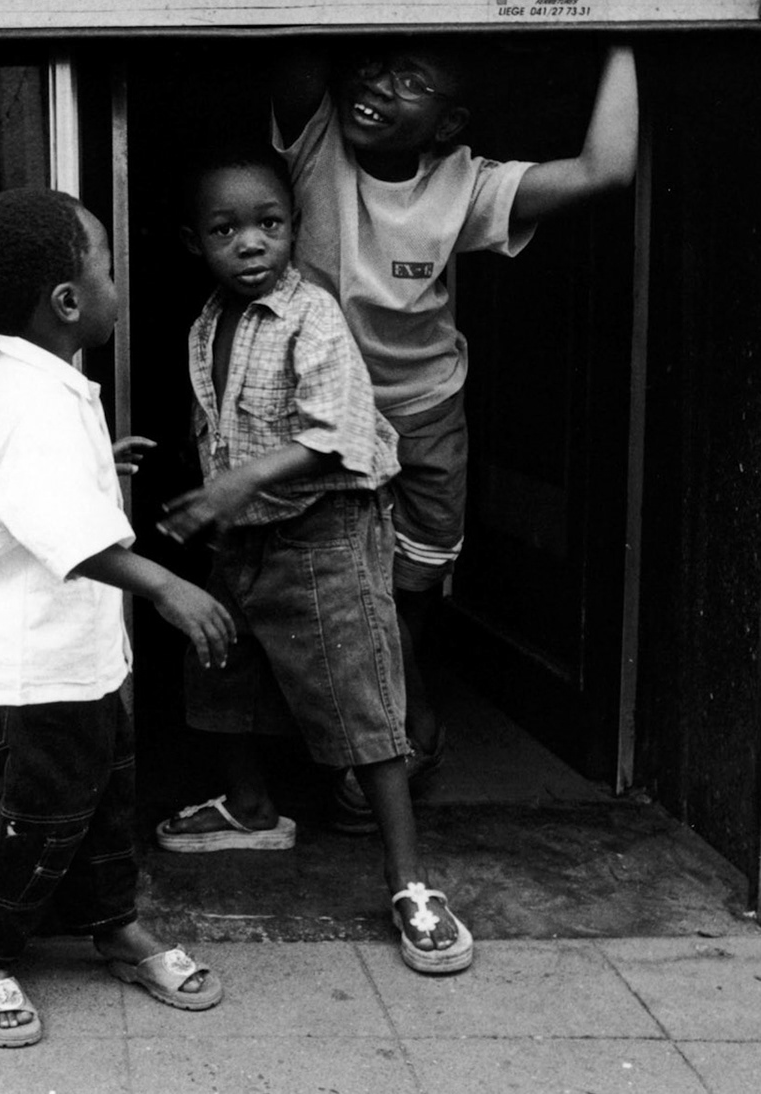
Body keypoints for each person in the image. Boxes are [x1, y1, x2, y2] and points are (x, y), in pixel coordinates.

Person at [272, 39, 638, 804]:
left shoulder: (462, 183)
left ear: (449, 123)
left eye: (412, 81)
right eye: (373, 66)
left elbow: (605, 169)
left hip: (427, 411)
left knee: (411, 588)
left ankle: (399, 730)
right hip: (327, 414)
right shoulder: (320, 141)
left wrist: (619, 28)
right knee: (344, 585)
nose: (378, 84)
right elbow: (296, 11)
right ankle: (406, 735)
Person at [0, 189, 232, 1048]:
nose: (115, 280)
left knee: (102, 795)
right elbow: (65, 531)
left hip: (72, 652)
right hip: (26, 663)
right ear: (67, 300)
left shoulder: (44, 383)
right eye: (105, 263)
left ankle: (115, 925)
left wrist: (101, 461)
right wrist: (168, 587)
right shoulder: (34, 400)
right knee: (38, 809)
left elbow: (44, 492)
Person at [152, 146, 471, 974]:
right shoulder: (207, 321)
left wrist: (237, 484)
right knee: (219, 670)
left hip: (324, 533)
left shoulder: (312, 315)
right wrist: (219, 500)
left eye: (270, 224)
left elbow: (339, 432)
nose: (251, 243)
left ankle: (411, 883)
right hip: (247, 535)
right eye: (227, 230)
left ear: (294, 228)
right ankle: (253, 806)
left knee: (360, 695)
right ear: (195, 241)